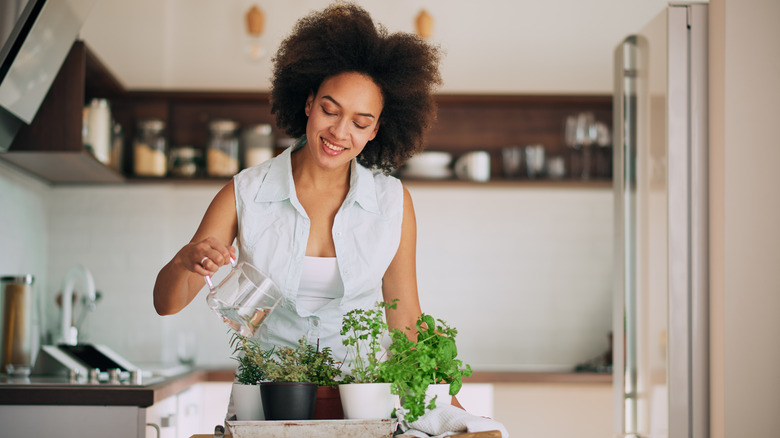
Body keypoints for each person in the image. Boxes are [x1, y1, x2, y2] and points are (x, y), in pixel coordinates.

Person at [153, 3, 441, 372]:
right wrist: (183, 260)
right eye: (330, 110)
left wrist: (449, 409)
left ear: (375, 131)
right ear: (308, 103)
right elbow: (168, 304)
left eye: (360, 122)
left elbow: (406, 323)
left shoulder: (392, 202)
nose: (339, 132)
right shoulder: (245, 192)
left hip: (360, 403)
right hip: (267, 402)